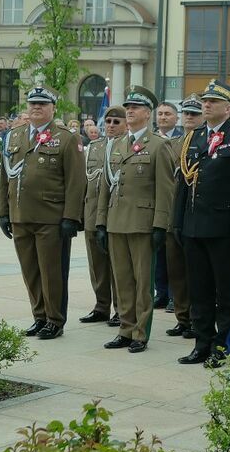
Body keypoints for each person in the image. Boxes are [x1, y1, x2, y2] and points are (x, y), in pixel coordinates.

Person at [173, 80, 230, 368]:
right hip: (194, 226)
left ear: (227, 108)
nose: (206, 105)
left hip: (223, 228)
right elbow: (183, 184)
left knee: (225, 291)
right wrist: (177, 221)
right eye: (204, 101)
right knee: (199, 290)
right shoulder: (193, 137)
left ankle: (222, 345)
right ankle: (201, 342)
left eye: (212, 101)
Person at [0, 86, 84, 340]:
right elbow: (5, 177)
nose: (36, 107)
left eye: (42, 104)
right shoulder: (14, 136)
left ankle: (55, 319)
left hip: (51, 218)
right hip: (20, 215)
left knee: (52, 271)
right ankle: (39, 316)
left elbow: (76, 182)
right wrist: (3, 212)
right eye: (33, 103)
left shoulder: (67, 138)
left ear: (53, 108)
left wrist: (71, 217)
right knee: (30, 271)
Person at [97, 86, 174, 353]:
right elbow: (106, 186)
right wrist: (100, 222)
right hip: (117, 221)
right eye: (128, 107)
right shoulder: (117, 144)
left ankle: (141, 332)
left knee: (143, 282)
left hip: (143, 223)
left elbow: (166, 189)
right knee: (122, 280)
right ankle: (125, 329)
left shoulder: (159, 145)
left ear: (148, 113)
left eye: (136, 107)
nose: (129, 111)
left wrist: (160, 225)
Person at [79, 106, 124, 327]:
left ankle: (120, 309)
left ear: (125, 124)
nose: (111, 126)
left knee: (117, 264)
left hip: (116, 214)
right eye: (108, 122)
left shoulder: (127, 146)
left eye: (116, 122)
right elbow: (84, 183)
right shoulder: (94, 148)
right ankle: (101, 306)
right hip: (92, 212)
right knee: (96, 264)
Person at [164, 96, 203, 339]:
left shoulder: (207, 141)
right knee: (176, 270)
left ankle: (198, 318)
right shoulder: (173, 143)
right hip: (172, 214)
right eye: (186, 113)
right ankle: (183, 317)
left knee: (196, 272)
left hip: (196, 215)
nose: (189, 117)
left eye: (194, 114)